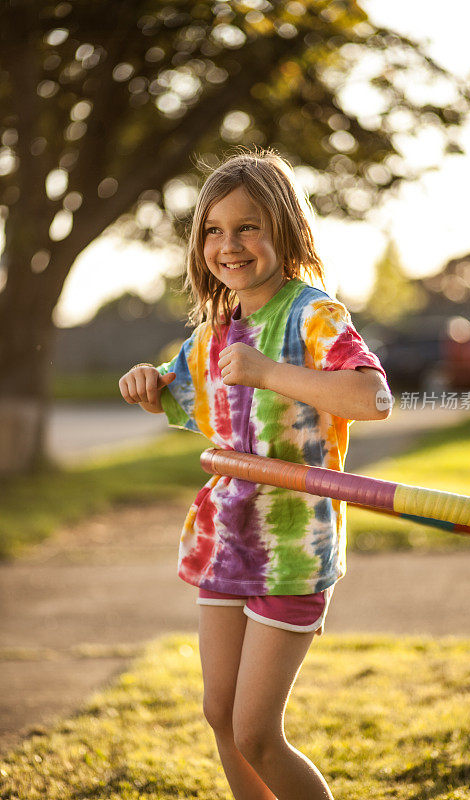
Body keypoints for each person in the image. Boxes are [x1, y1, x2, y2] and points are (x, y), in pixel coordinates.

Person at [119, 147, 391, 800]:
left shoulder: (312, 315)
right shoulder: (213, 331)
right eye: (214, 230)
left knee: (256, 734)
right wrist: (149, 384)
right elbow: (181, 394)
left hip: (293, 547)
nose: (228, 244)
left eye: (246, 227)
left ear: (284, 231)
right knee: (221, 717)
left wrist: (270, 371)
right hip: (226, 538)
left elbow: (372, 398)